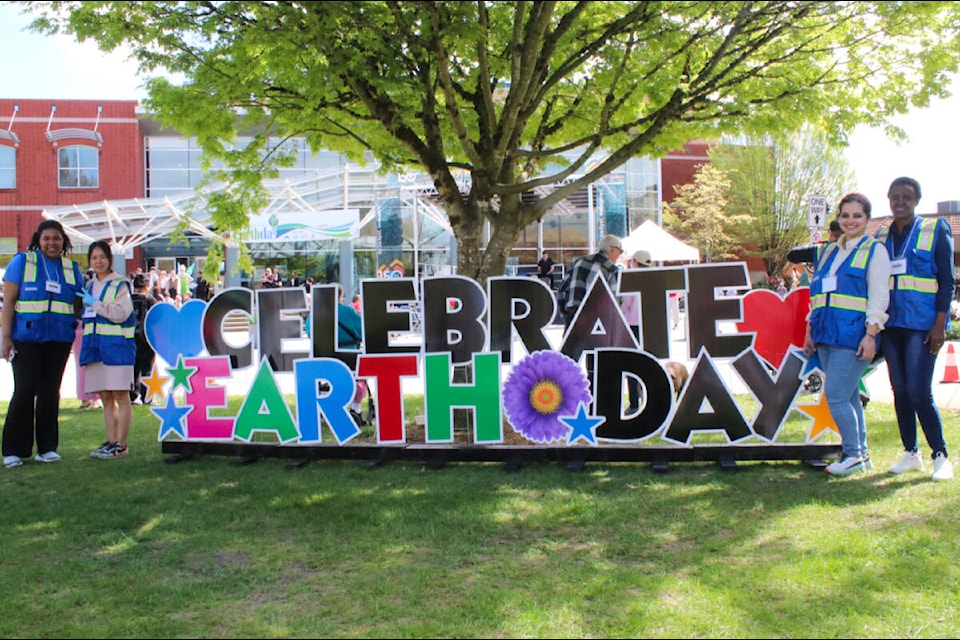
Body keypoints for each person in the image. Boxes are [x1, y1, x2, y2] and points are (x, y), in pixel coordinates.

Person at [874, 177, 955, 481]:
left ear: (916, 200)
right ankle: (911, 453)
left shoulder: (936, 230)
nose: (900, 201)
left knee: (920, 391)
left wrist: (939, 323)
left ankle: (940, 455)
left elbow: (947, 281)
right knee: (901, 392)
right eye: (895, 196)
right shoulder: (882, 236)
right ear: (888, 199)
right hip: (891, 325)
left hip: (922, 326)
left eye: (907, 197)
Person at [803, 193, 890, 477]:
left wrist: (871, 334)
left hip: (852, 337)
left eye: (857, 216)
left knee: (836, 396)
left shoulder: (874, 251)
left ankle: (852, 454)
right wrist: (810, 329)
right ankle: (861, 456)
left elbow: (879, 296)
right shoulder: (829, 251)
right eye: (845, 215)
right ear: (839, 217)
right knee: (850, 397)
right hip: (826, 335)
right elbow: (817, 295)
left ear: (867, 219)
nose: (850, 221)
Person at [1, 221, 86, 468]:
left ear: (64, 241)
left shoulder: (72, 269)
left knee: (51, 393)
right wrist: (5, 338)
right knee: (25, 390)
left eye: (56, 238)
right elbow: (8, 304)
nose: (52, 243)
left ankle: (47, 448)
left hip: (58, 340)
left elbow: (80, 305)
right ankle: (14, 450)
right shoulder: (22, 263)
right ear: (39, 239)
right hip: (26, 339)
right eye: (47, 238)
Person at [80, 241, 137, 459]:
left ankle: (122, 444)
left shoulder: (120, 284)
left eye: (102, 257)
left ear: (110, 259)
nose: (98, 261)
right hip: (96, 348)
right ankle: (111, 441)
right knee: (105, 396)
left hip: (117, 347)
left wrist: (95, 304)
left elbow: (120, 313)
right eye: (94, 258)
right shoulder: (89, 285)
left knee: (121, 395)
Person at [561, 234, 624, 329]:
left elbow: (562, 290)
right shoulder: (612, 269)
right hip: (597, 319)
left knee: (572, 343)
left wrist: (565, 314)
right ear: (613, 249)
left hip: (573, 314)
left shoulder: (578, 262)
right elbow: (615, 301)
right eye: (620, 251)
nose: (620, 255)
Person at [621, 250, 652, 413]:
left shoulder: (631, 279)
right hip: (653, 328)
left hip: (633, 328)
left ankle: (634, 404)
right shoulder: (656, 278)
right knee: (650, 366)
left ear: (635, 262)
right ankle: (652, 400)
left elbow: (625, 306)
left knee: (632, 366)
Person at [336, 285, 367, 426]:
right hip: (349, 357)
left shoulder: (314, 314)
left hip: (323, 360)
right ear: (340, 296)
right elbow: (363, 330)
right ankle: (356, 409)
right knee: (362, 375)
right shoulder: (348, 311)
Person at [129, 274, 157, 405]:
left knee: (133, 368)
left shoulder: (128, 300)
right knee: (147, 369)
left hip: (130, 339)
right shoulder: (150, 300)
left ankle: (133, 396)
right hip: (147, 339)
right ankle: (147, 397)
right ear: (147, 286)